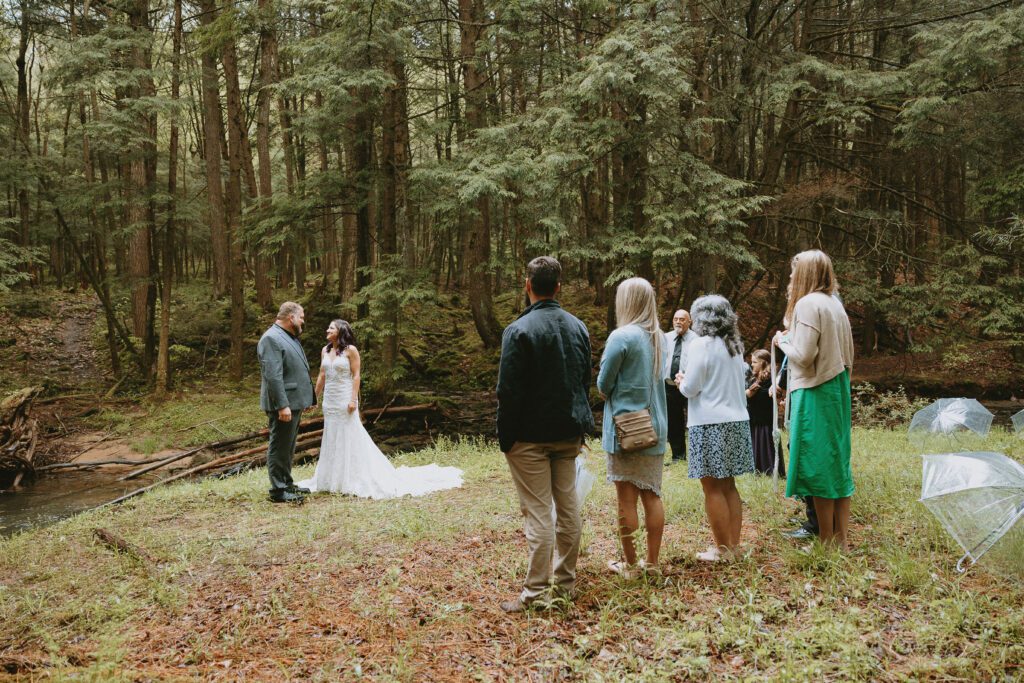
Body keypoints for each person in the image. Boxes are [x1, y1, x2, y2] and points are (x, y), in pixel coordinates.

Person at [496, 256, 594, 613]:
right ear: (558, 287)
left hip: (530, 437)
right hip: (567, 432)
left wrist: (507, 438)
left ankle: (536, 593)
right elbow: (583, 381)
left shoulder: (518, 331)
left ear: (528, 285)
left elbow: (508, 391)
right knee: (567, 508)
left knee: (539, 514)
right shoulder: (578, 327)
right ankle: (564, 584)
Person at [296, 320, 462, 498]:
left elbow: (356, 375)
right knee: (331, 435)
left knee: (349, 435)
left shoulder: (351, 350)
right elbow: (322, 375)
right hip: (330, 401)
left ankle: (351, 476)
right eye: (328, 327)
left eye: (331, 328)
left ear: (341, 331)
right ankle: (330, 478)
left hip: (345, 399)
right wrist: (314, 398)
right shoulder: (325, 350)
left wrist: (353, 399)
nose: (327, 330)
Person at [774, 250, 855, 549]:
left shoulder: (808, 304)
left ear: (806, 274)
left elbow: (804, 356)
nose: (792, 277)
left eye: (795, 272)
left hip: (816, 389)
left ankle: (824, 540)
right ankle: (840, 540)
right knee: (837, 464)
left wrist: (782, 340)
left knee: (819, 465)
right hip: (838, 387)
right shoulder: (835, 303)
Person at [597, 278, 668, 579]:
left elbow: (603, 384)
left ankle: (630, 566)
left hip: (626, 429)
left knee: (626, 499)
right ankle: (652, 563)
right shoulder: (660, 337)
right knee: (651, 494)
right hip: (655, 426)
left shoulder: (621, 336)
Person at [678, 295, 755, 561]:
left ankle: (722, 550)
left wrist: (680, 380)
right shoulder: (735, 346)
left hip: (709, 424)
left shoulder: (701, 345)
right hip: (737, 420)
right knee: (729, 486)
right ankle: (733, 546)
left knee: (711, 488)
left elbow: (691, 388)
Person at [258, 301, 316, 503]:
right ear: (291, 317)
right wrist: (282, 405)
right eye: (301, 317)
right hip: (283, 404)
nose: (303, 321)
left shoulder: (288, 337)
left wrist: (305, 397)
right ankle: (278, 490)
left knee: (288, 446)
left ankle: (287, 482)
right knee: (279, 445)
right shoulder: (271, 338)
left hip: (294, 401)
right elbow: (273, 376)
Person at [664, 309, 696, 465]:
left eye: (682, 319)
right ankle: (678, 456)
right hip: (669, 386)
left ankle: (697, 456)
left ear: (689, 322)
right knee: (673, 421)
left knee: (694, 420)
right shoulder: (666, 338)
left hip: (690, 386)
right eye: (676, 319)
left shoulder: (696, 340)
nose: (678, 322)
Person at [746, 349, 784, 476]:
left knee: (766, 444)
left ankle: (769, 470)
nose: (752, 364)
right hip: (754, 418)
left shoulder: (772, 379)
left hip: (766, 420)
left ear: (763, 363)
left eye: (755, 362)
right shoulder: (752, 378)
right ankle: (756, 469)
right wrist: (749, 393)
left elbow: (775, 393)